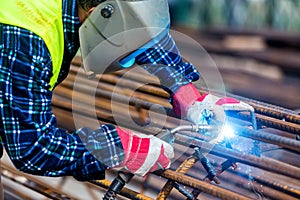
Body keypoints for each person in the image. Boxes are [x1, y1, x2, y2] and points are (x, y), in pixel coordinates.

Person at [0, 0, 253, 188]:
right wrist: (117, 148)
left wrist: (185, 91)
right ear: (100, 15)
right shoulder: (26, 37)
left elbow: (137, 30)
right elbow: (32, 147)